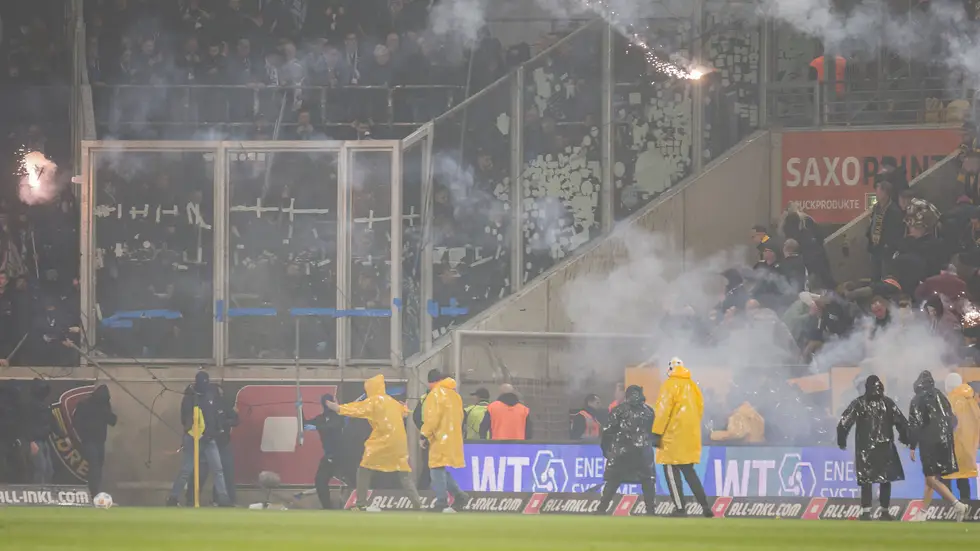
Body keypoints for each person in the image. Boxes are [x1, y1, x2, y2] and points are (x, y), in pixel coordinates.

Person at [324, 374, 422, 512]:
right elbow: (405, 412)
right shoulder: (392, 401)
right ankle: (417, 504)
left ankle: (361, 504)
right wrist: (404, 408)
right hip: (399, 442)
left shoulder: (373, 401)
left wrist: (336, 407)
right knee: (403, 472)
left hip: (382, 440)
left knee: (364, 469)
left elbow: (354, 409)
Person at [836, 375, 909, 521]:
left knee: (866, 479)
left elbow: (844, 423)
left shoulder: (859, 403)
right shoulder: (888, 403)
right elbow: (902, 422)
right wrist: (906, 438)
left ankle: (866, 511)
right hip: (885, 447)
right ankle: (884, 511)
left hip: (865, 448)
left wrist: (841, 441)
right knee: (885, 479)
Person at [652, 357, 713, 518]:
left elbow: (663, 411)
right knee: (689, 472)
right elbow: (700, 409)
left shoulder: (669, 385)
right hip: (690, 436)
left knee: (670, 469)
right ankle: (705, 506)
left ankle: (680, 508)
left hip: (672, 436)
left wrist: (657, 433)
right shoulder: (693, 386)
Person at [907, 370, 968, 522]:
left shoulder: (917, 399)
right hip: (946, 441)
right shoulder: (941, 396)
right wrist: (947, 435)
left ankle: (957, 504)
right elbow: (953, 419)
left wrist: (912, 446)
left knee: (931, 479)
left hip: (930, 442)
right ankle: (922, 513)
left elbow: (914, 424)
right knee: (931, 478)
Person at [167, 371, 231, 507]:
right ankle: (173, 498)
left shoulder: (210, 394)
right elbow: (186, 418)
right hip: (193, 437)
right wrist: (195, 432)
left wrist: (213, 431)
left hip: (209, 438)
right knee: (187, 469)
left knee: (217, 469)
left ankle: (224, 499)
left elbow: (215, 415)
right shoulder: (190, 396)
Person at [595, 385, 657, 516]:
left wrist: (606, 450)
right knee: (647, 481)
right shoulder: (649, 411)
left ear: (626, 395)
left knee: (613, 480)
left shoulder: (619, 410)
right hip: (644, 453)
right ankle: (651, 511)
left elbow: (607, 432)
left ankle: (601, 508)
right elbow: (654, 432)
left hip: (622, 452)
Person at [419, 374, 469, 512]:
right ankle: (459, 496)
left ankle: (442, 501)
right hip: (453, 437)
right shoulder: (455, 395)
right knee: (440, 469)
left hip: (439, 437)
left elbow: (432, 418)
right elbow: (460, 416)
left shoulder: (435, 394)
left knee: (435, 468)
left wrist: (424, 434)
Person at [73, 385, 117, 497]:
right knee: (94, 465)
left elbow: (112, 421)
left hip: (100, 441)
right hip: (89, 440)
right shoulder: (85, 405)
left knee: (98, 466)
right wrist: (84, 434)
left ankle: (95, 490)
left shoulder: (104, 405)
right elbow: (76, 422)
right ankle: (93, 492)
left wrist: (106, 413)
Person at [942, 373, 980, 501]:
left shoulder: (950, 400)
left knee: (945, 478)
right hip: (967, 445)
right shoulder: (971, 400)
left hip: (951, 445)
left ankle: (949, 506)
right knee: (963, 477)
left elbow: (949, 423)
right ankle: (967, 505)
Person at [304, 394, 346, 509]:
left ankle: (356, 504)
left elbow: (333, 426)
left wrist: (317, 428)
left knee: (351, 480)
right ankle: (327, 507)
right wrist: (299, 409)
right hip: (329, 456)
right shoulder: (320, 419)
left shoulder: (340, 417)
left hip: (344, 455)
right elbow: (305, 424)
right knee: (320, 480)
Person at [24, 378, 54, 484]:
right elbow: (26, 424)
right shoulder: (30, 405)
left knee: (49, 470)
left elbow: (52, 420)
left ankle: (44, 492)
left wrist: (63, 436)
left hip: (44, 440)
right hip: (34, 441)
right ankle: (38, 493)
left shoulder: (45, 405)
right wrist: (31, 441)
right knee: (40, 468)